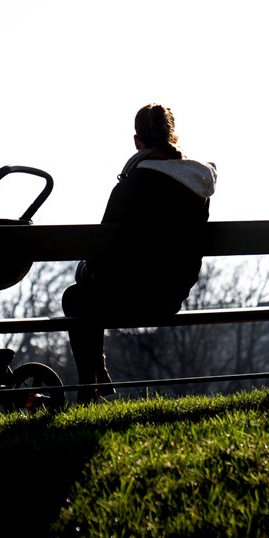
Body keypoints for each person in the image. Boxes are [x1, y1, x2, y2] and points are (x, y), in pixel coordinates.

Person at [62, 103, 217, 403]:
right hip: (172, 295)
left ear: (138, 141)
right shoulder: (197, 187)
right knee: (88, 294)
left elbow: (99, 250)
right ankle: (98, 378)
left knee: (77, 297)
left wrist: (85, 269)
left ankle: (89, 388)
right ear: (174, 137)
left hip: (132, 298)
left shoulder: (132, 185)